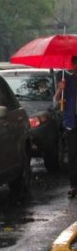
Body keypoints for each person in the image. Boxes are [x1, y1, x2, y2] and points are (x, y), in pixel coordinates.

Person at [55, 59, 77, 198]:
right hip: (71, 120)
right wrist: (60, 89)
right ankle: (74, 185)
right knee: (73, 154)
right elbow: (56, 100)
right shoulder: (64, 78)